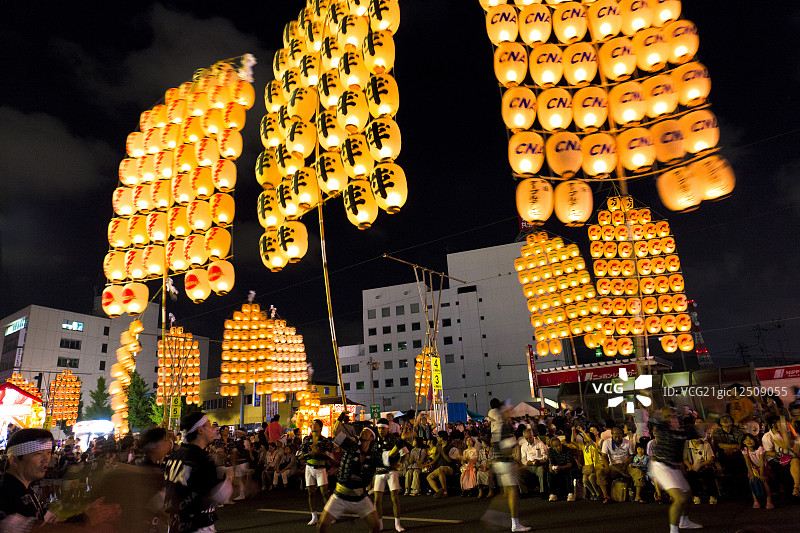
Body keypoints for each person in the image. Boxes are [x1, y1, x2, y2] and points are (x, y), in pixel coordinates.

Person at [0, 428, 120, 531]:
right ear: (14, 460)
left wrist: (82, 519)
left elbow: (48, 527)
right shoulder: (6, 494)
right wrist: (84, 521)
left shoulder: (27, 490)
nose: (46, 459)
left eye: (48, 453)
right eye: (38, 453)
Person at [165, 412, 233, 533]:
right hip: (197, 524)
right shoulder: (201, 457)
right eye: (208, 425)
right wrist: (231, 487)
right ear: (200, 430)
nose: (212, 429)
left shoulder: (175, 455)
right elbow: (209, 493)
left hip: (177, 523)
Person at [318, 427, 384, 533]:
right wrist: (341, 416)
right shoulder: (351, 446)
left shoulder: (373, 455)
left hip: (360, 497)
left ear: (371, 437)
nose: (362, 430)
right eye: (362, 429)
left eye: (366, 431)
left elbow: (389, 459)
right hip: (340, 495)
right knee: (322, 526)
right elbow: (336, 432)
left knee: (376, 526)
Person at [648, 408, 703, 533]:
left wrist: (714, 414)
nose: (673, 418)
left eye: (674, 415)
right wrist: (649, 396)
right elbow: (652, 411)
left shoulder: (683, 430)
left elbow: (701, 428)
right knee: (680, 498)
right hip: (661, 466)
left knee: (688, 495)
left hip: (674, 466)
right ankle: (673, 530)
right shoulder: (662, 428)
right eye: (669, 416)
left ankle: (684, 521)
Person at [482, 398, 531, 532]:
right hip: (505, 462)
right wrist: (516, 461)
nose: (510, 411)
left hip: (499, 462)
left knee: (507, 492)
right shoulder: (505, 426)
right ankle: (514, 523)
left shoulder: (496, 425)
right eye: (508, 409)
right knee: (513, 492)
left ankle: (495, 516)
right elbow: (506, 448)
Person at [597, 426, 644, 504]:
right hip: (613, 466)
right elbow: (604, 456)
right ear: (612, 434)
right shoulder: (607, 442)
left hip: (625, 466)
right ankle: (606, 496)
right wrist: (606, 467)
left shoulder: (627, 442)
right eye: (616, 436)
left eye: (619, 435)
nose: (618, 438)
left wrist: (629, 459)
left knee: (638, 473)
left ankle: (638, 496)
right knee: (600, 473)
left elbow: (632, 455)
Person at [298, 419, 331, 526]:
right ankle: (314, 516)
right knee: (310, 492)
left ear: (320, 427)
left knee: (324, 492)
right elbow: (300, 454)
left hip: (321, 467)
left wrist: (318, 453)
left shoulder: (325, 440)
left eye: (315, 425)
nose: (313, 427)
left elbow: (328, 455)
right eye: (312, 425)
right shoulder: (307, 439)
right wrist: (309, 454)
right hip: (309, 467)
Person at [762, 414, 800, 497]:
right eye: (782, 423)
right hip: (776, 460)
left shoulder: (789, 434)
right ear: (774, 425)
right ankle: (796, 486)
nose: (785, 425)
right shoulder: (769, 436)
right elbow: (768, 452)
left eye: (786, 423)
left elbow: (795, 446)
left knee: (796, 459)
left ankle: (796, 487)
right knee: (795, 460)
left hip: (791, 457)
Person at [683, 434, 718, 505]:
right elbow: (685, 459)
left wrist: (700, 465)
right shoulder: (686, 444)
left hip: (704, 465)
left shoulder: (706, 444)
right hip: (692, 466)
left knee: (709, 472)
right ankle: (695, 496)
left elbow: (710, 458)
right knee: (691, 474)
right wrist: (690, 466)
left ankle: (713, 496)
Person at [742, 433, 774, 509]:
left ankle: (768, 501)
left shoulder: (760, 449)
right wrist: (752, 474)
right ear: (744, 442)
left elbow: (762, 462)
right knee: (752, 481)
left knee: (764, 481)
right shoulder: (745, 450)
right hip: (753, 469)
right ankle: (756, 501)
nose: (749, 441)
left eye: (750, 439)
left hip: (763, 468)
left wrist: (762, 474)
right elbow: (748, 462)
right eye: (746, 440)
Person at [519, 428, 548, 499]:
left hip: (538, 465)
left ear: (533, 435)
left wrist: (540, 461)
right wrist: (527, 462)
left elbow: (546, 456)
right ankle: (524, 492)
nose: (529, 440)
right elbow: (523, 459)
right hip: (529, 466)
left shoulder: (540, 443)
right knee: (517, 472)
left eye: (530, 438)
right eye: (527, 438)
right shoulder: (524, 446)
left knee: (541, 470)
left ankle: (543, 491)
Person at [425, 431, 454, 498]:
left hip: (449, 467)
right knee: (429, 477)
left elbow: (449, 460)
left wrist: (442, 452)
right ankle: (438, 491)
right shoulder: (438, 447)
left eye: (438, 436)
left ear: (441, 437)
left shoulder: (450, 446)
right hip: (439, 467)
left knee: (441, 470)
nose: (437, 438)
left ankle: (445, 491)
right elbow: (436, 459)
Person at [547, 437, 575, 502]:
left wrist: (561, 467)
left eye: (559, 445)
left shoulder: (567, 450)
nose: (559, 447)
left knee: (568, 473)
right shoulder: (551, 451)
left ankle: (570, 493)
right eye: (556, 446)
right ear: (553, 447)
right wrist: (552, 468)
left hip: (566, 467)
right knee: (550, 473)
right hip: (557, 467)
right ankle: (553, 493)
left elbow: (569, 464)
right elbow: (551, 462)